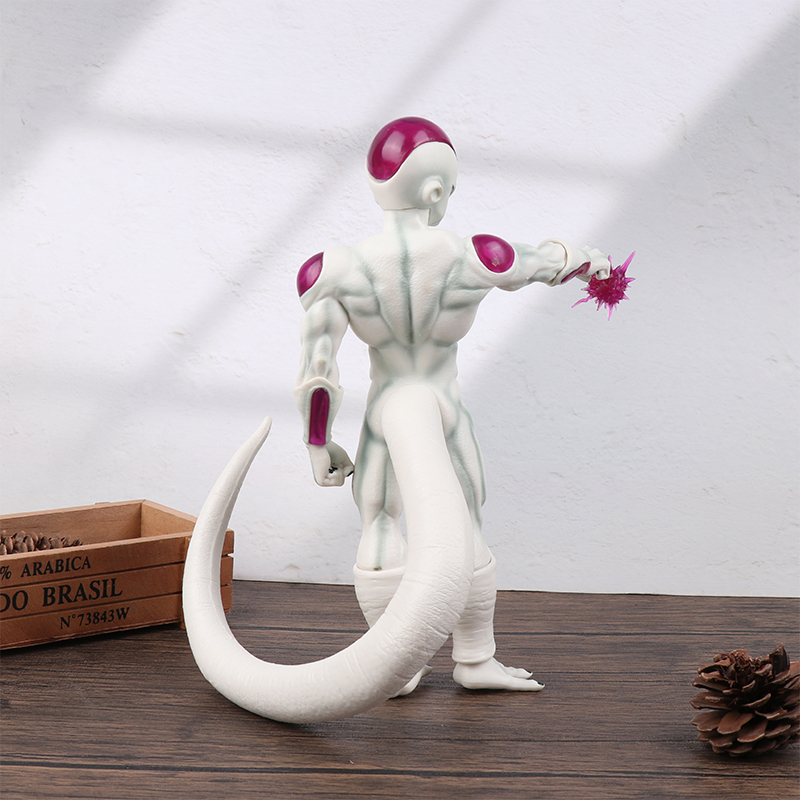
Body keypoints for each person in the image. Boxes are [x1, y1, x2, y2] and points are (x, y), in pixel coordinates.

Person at [295, 117, 609, 694]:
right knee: (464, 518)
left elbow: (319, 369)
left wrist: (318, 443)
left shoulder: (336, 271)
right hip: (442, 405)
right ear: (435, 190)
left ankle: (397, 668)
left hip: (388, 406)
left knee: (380, 521)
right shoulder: (472, 257)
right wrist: (588, 259)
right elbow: (546, 262)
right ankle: (474, 657)